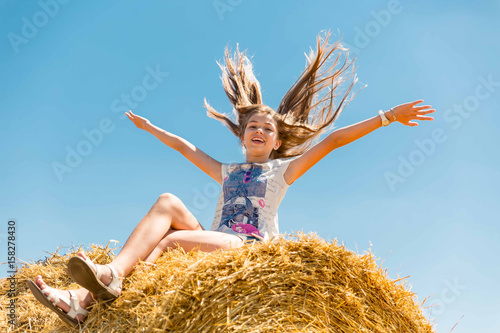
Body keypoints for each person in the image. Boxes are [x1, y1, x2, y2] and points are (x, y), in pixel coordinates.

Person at [28, 31, 435, 326]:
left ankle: (98, 293)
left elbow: (333, 141)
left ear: (276, 143)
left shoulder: (282, 170)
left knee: (171, 241)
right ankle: (102, 282)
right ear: (242, 137)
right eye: (253, 126)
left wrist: (387, 118)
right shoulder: (228, 171)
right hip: (218, 239)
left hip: (248, 248)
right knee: (168, 201)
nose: (259, 130)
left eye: (268, 129)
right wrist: (151, 129)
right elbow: (185, 148)